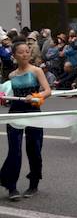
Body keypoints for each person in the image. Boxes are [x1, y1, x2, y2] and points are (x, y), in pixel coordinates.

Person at [0, 42, 51, 200]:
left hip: (33, 111)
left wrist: (37, 97)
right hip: (15, 112)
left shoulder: (36, 71)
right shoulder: (11, 75)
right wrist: (4, 99)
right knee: (14, 150)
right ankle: (11, 187)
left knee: (34, 148)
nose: (25, 54)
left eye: (27, 51)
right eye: (21, 52)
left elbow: (48, 90)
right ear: (14, 56)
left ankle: (33, 184)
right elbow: (7, 94)